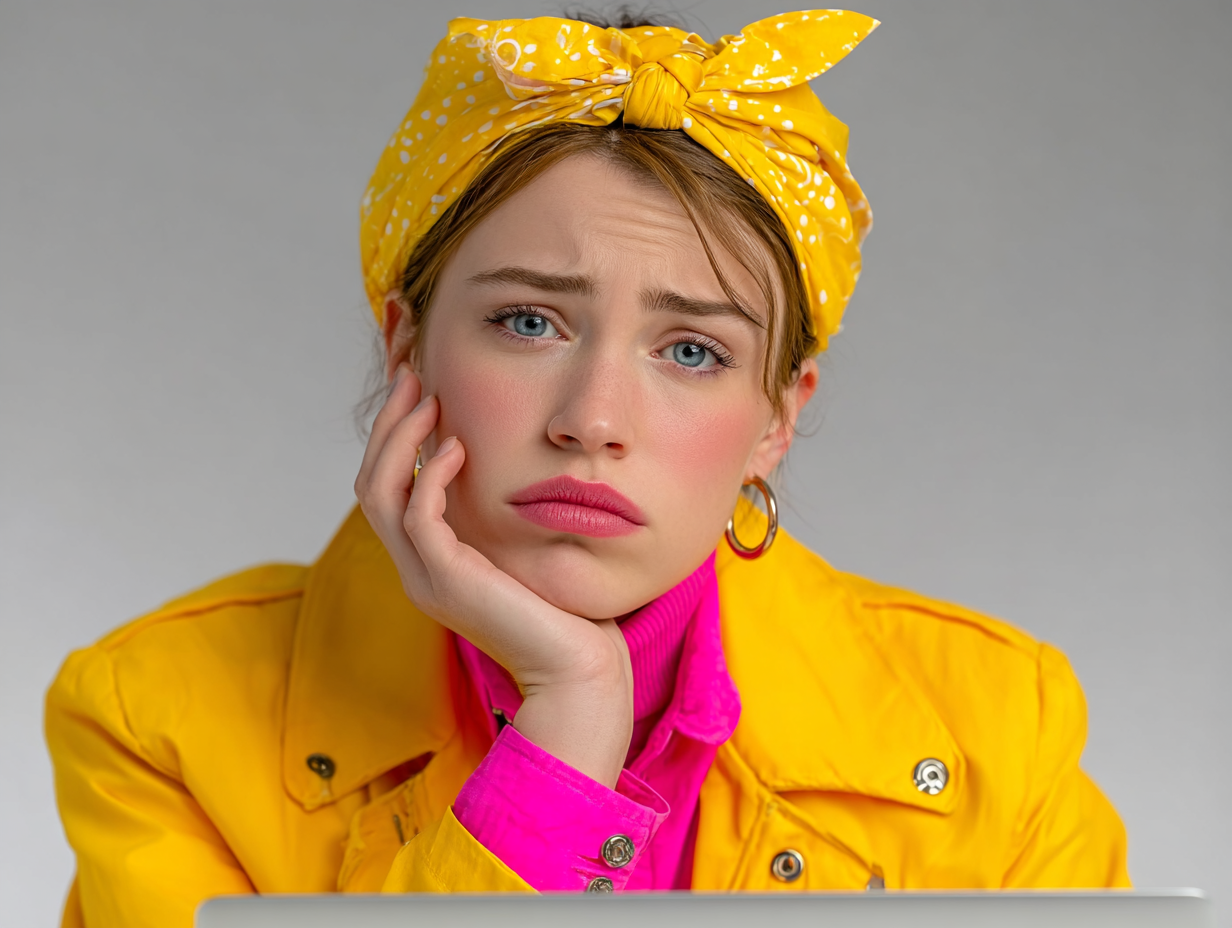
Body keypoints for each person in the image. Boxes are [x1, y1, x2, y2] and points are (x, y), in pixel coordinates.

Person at [44, 9, 1130, 927]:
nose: (592, 420)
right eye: (527, 321)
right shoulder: (155, 718)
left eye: (691, 351)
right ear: (403, 347)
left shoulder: (993, 722)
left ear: (774, 420)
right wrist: (567, 720)